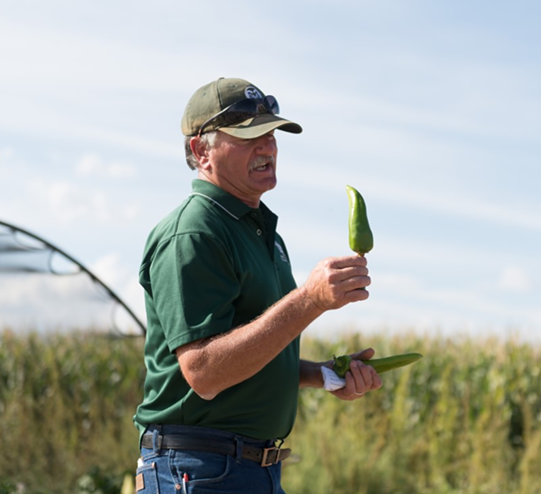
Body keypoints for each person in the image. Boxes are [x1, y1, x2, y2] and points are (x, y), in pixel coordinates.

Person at [133, 77, 383, 493]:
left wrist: (323, 375)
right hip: (196, 469)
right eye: (248, 137)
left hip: (248, 469)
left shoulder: (259, 233)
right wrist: (309, 300)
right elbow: (205, 372)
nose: (267, 146)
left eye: (270, 134)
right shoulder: (194, 233)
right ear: (201, 151)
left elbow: (248, 354)